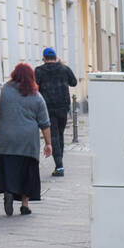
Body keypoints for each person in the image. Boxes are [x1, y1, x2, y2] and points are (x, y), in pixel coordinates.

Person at [0, 64, 52, 216]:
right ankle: (25, 205)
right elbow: (45, 123)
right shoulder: (36, 96)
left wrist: (0, 108)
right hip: (28, 142)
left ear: (14, 74)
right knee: (27, 172)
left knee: (7, 169)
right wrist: (48, 143)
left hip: (4, 139)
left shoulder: (1, 89)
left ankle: (9, 191)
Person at [34, 48, 78, 177]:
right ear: (56, 57)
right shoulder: (64, 69)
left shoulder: (39, 71)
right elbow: (74, 82)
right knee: (60, 134)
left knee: (53, 136)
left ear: (44, 58)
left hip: (47, 107)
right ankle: (59, 163)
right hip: (63, 107)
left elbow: (34, 87)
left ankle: (59, 166)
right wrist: (62, 65)